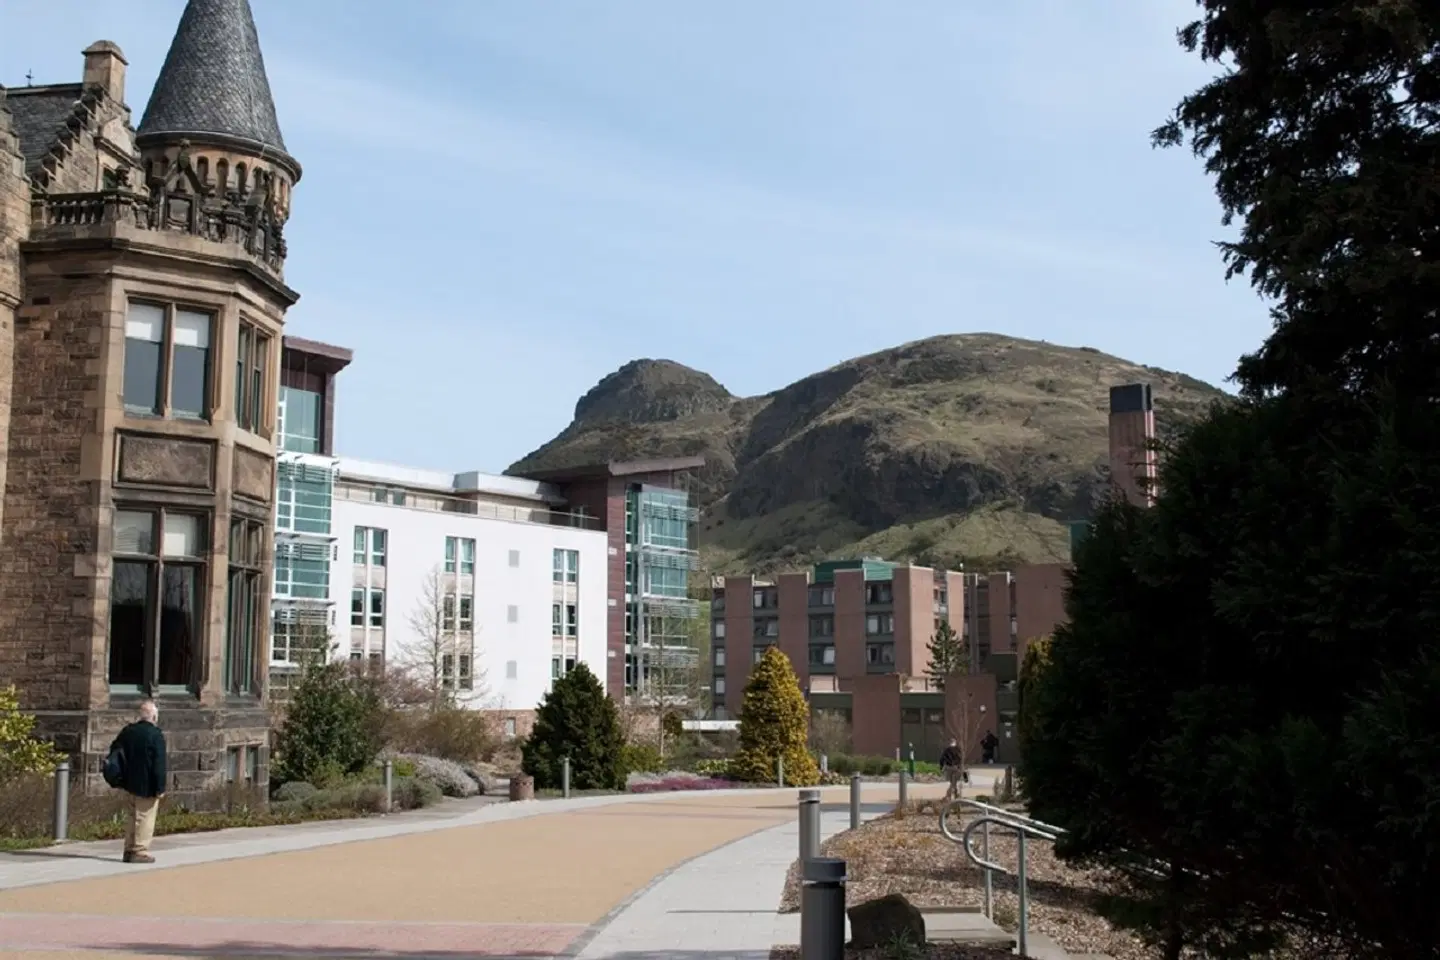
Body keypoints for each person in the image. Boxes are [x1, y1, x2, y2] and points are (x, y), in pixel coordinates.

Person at [108, 700, 167, 864]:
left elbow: (115, 750)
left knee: (132, 817)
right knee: (145, 818)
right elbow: (159, 764)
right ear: (154, 716)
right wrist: (160, 786)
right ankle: (140, 850)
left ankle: (129, 848)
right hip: (147, 784)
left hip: (129, 782)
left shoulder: (128, 732)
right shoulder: (155, 735)